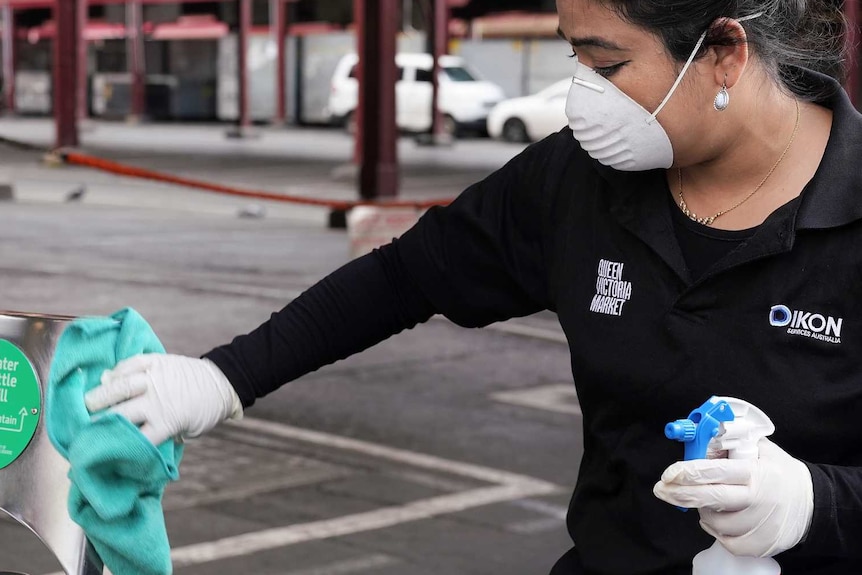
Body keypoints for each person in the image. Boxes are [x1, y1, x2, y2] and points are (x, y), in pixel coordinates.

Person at [82, 0, 862, 573]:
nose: (581, 95)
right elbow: (403, 275)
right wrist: (225, 376)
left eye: (609, 63)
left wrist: (812, 503)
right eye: (574, 58)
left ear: (724, 52)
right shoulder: (579, 182)